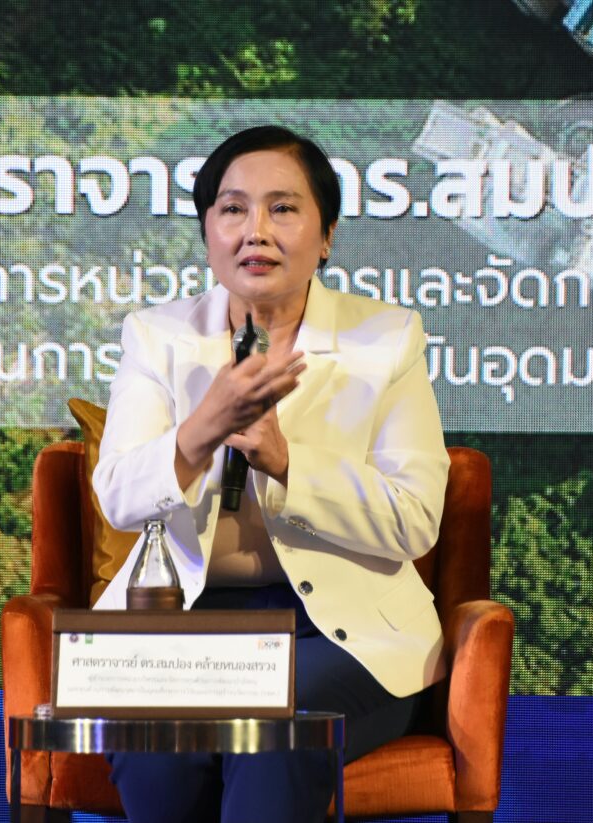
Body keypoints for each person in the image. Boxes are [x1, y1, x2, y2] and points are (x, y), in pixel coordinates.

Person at [92, 125, 450, 823]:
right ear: (208, 232)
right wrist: (204, 427)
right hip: (187, 627)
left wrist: (286, 461)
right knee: (152, 746)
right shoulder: (157, 336)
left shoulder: (387, 338)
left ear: (327, 236)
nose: (255, 229)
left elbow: (415, 519)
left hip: (338, 629)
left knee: (271, 731)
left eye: (283, 208)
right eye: (233, 209)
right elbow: (119, 499)